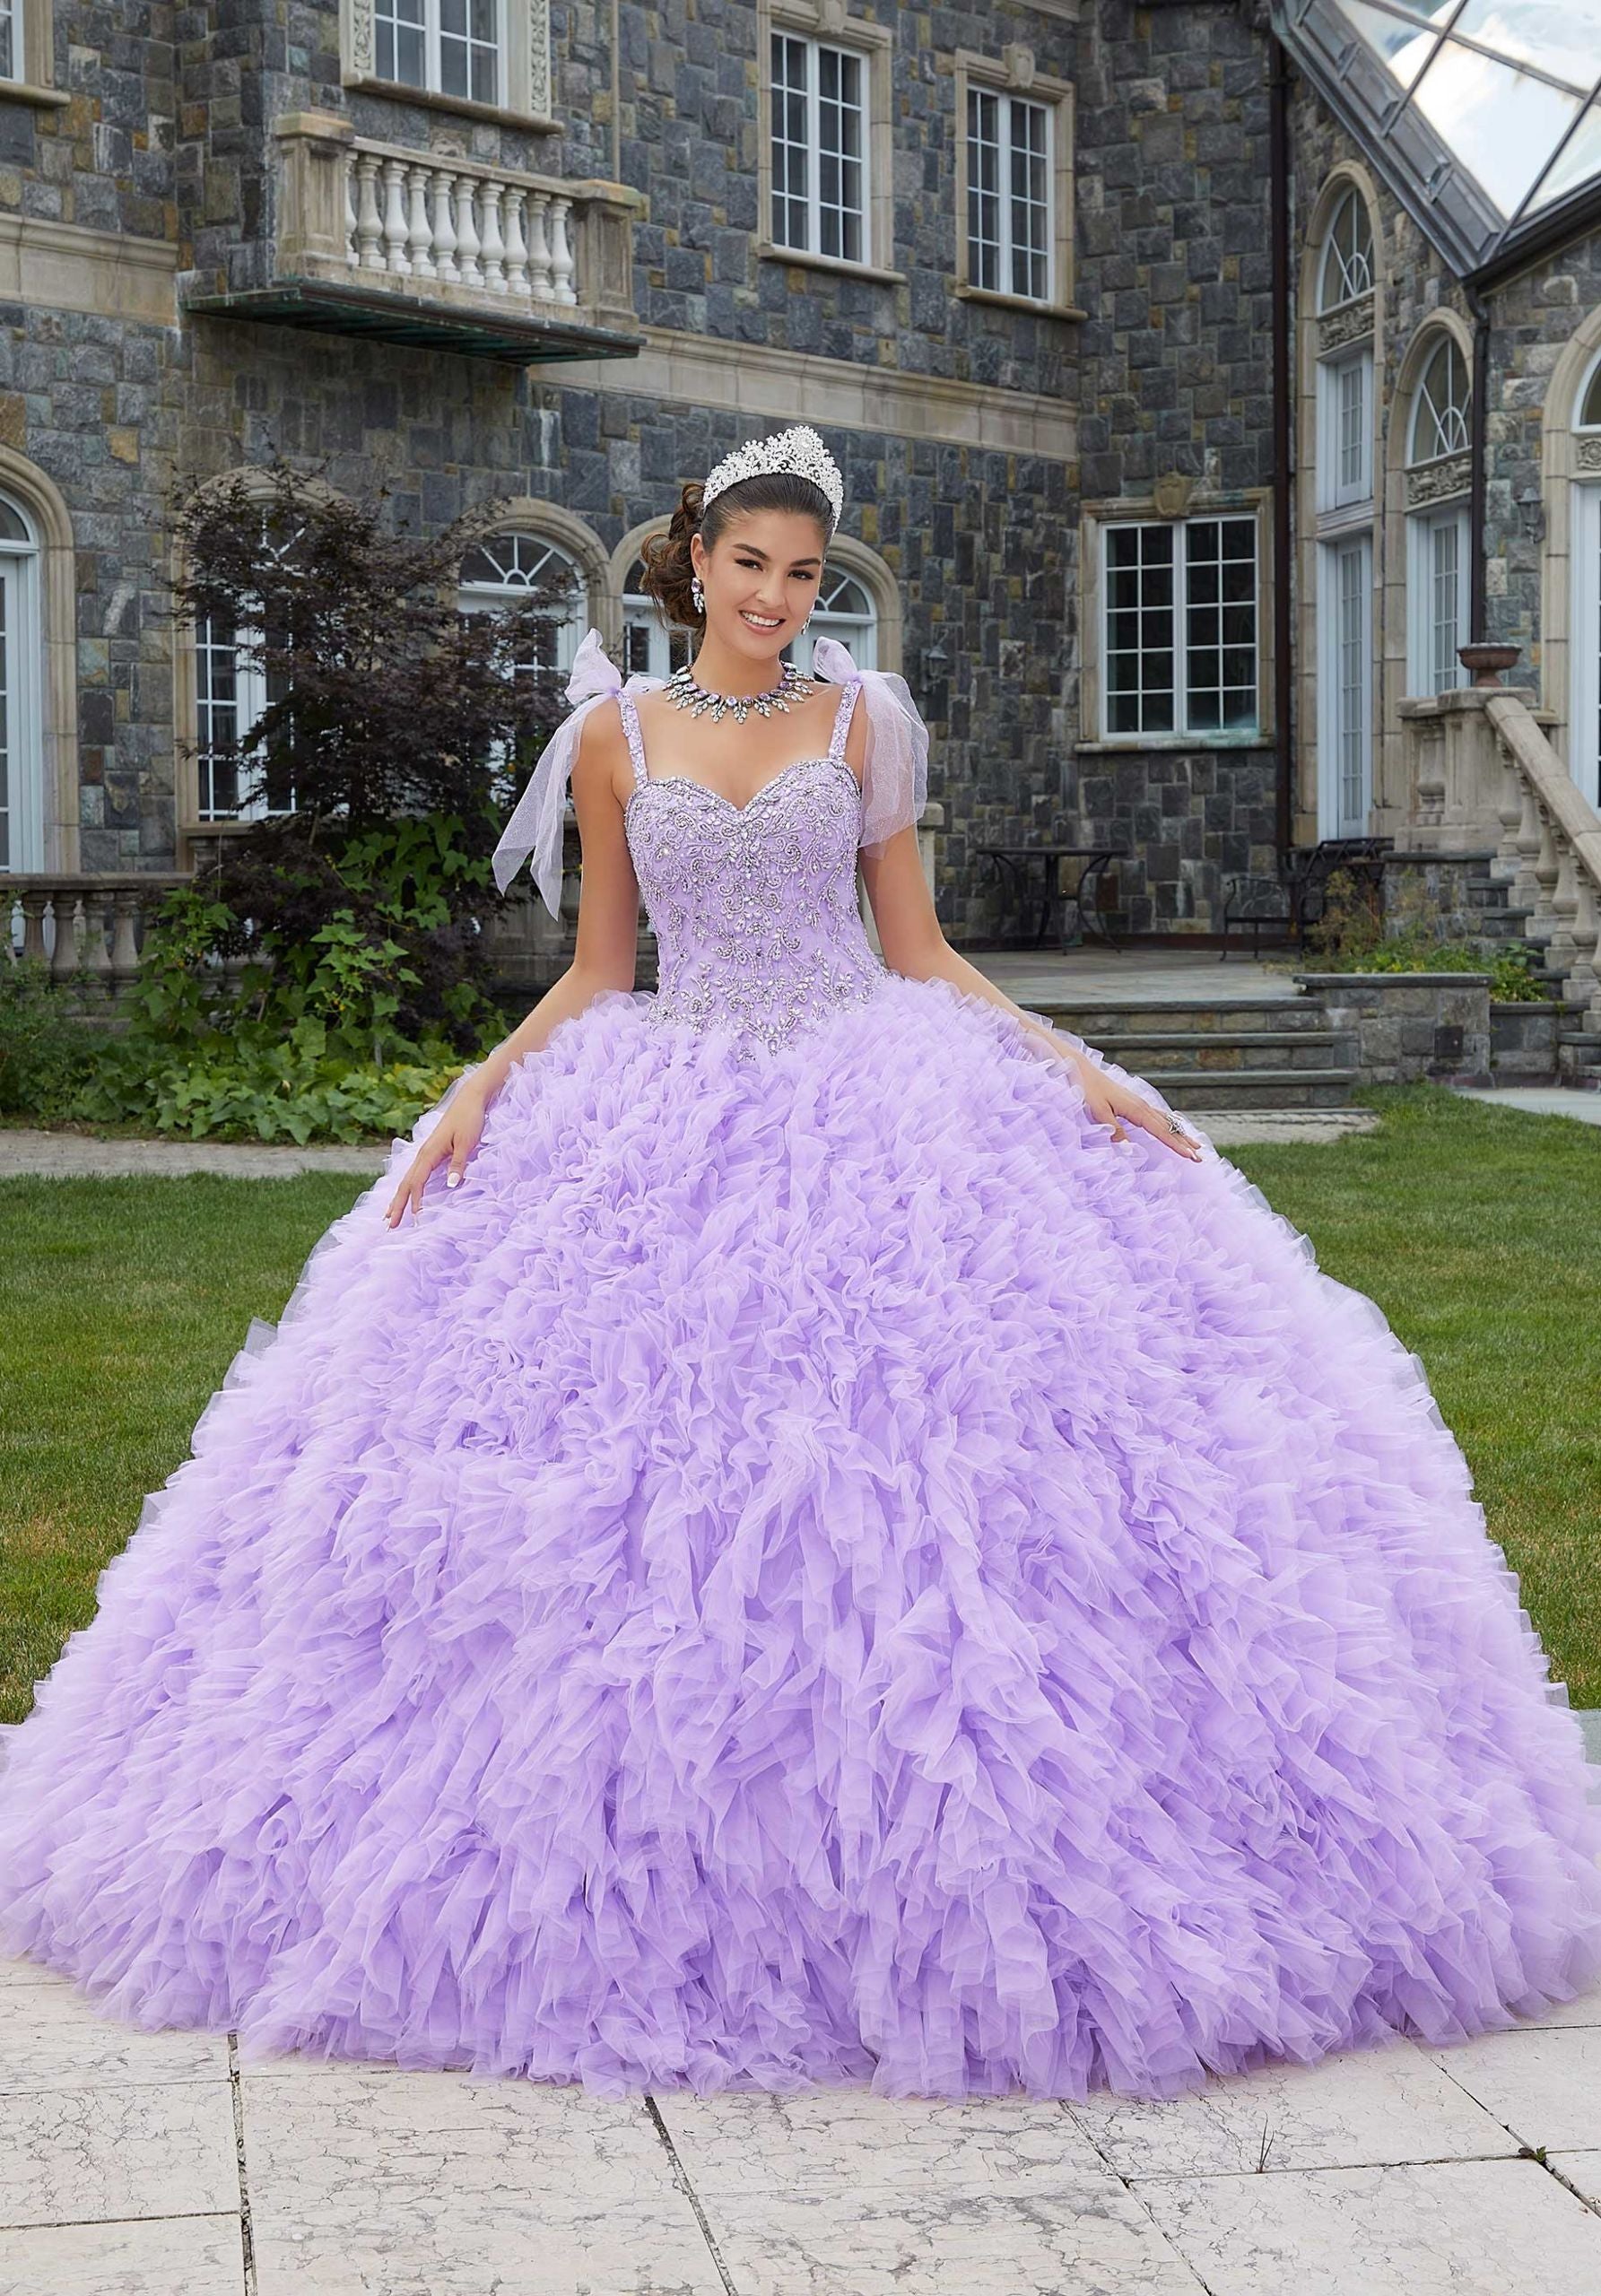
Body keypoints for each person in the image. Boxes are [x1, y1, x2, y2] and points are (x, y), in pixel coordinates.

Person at [1, 422, 1598, 2106]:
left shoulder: (866, 717)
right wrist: (479, 1085)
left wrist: (1074, 1064)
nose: (774, 598)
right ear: (694, 562)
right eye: (748, 565)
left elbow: (915, 950)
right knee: (635, 1489)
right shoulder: (611, 734)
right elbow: (599, 971)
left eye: (804, 575)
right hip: (665, 1099)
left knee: (923, 1476)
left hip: (870, 1093)